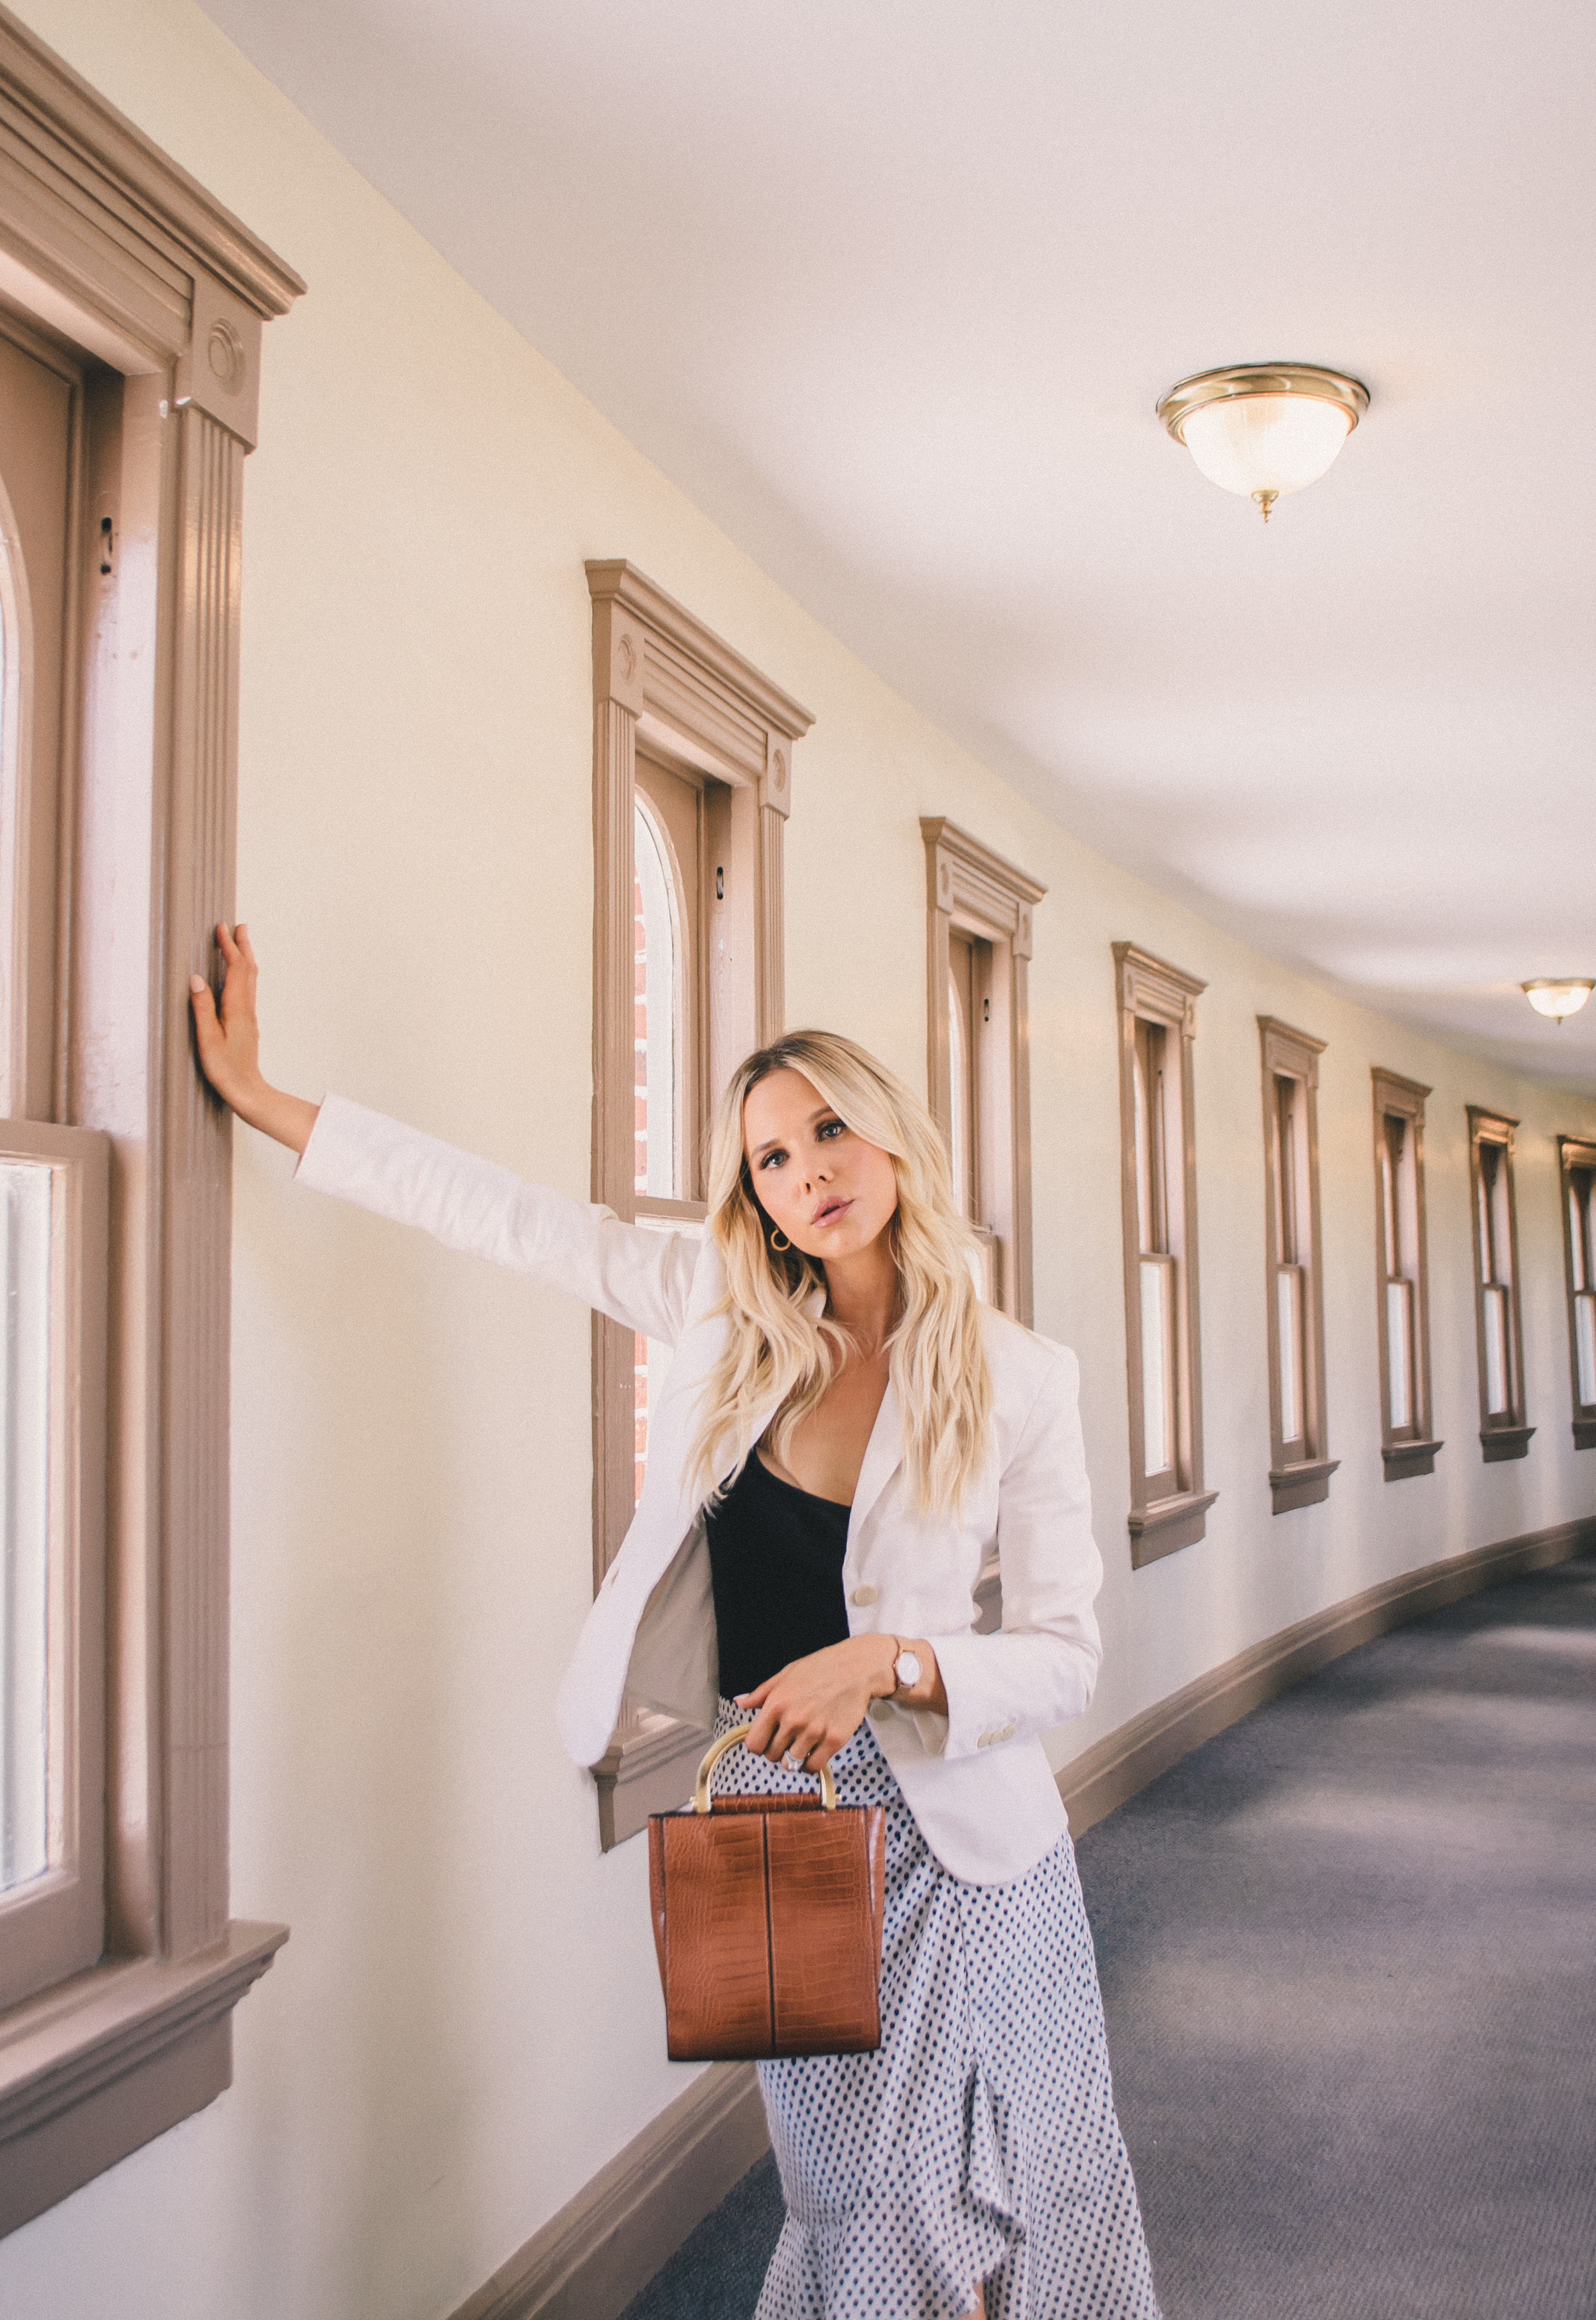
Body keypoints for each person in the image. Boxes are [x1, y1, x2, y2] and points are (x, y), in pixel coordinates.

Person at [191, 922, 1161, 2320]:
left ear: (891, 1139)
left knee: (1004, 2190)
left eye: (829, 1132)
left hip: (969, 1850)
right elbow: (507, 1214)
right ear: (754, 1197)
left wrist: (889, 1660)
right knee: (855, 2199)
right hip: (778, 1812)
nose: (809, 1172)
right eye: (773, 1158)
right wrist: (271, 1101)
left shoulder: (1022, 1377)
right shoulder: (722, 1312)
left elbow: (1069, 1651)